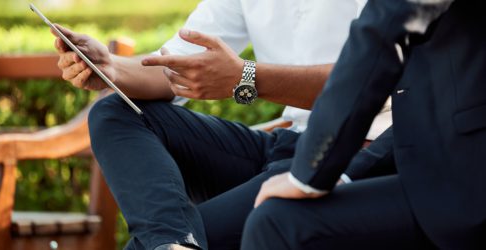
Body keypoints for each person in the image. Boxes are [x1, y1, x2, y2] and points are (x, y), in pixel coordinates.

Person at [52, 0, 392, 249]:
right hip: (284, 143)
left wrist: (246, 78)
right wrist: (110, 67)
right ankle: (173, 243)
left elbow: (371, 81)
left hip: (352, 154)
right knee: (115, 113)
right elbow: (174, 67)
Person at [241, 0, 486, 249]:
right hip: (393, 157)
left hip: (461, 180)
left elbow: (384, 32)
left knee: (275, 223)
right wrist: (346, 173)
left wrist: (308, 173)